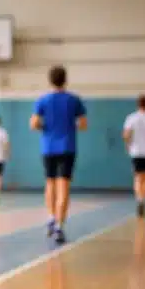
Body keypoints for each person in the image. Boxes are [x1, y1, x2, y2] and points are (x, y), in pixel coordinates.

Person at [30, 65, 87, 244]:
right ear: (65, 79)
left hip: (48, 148)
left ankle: (51, 217)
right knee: (64, 187)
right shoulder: (74, 100)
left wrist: (45, 128)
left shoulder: (42, 100)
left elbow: (34, 124)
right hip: (67, 147)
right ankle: (59, 227)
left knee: (50, 184)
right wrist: (69, 127)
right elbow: (83, 124)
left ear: (50, 80)